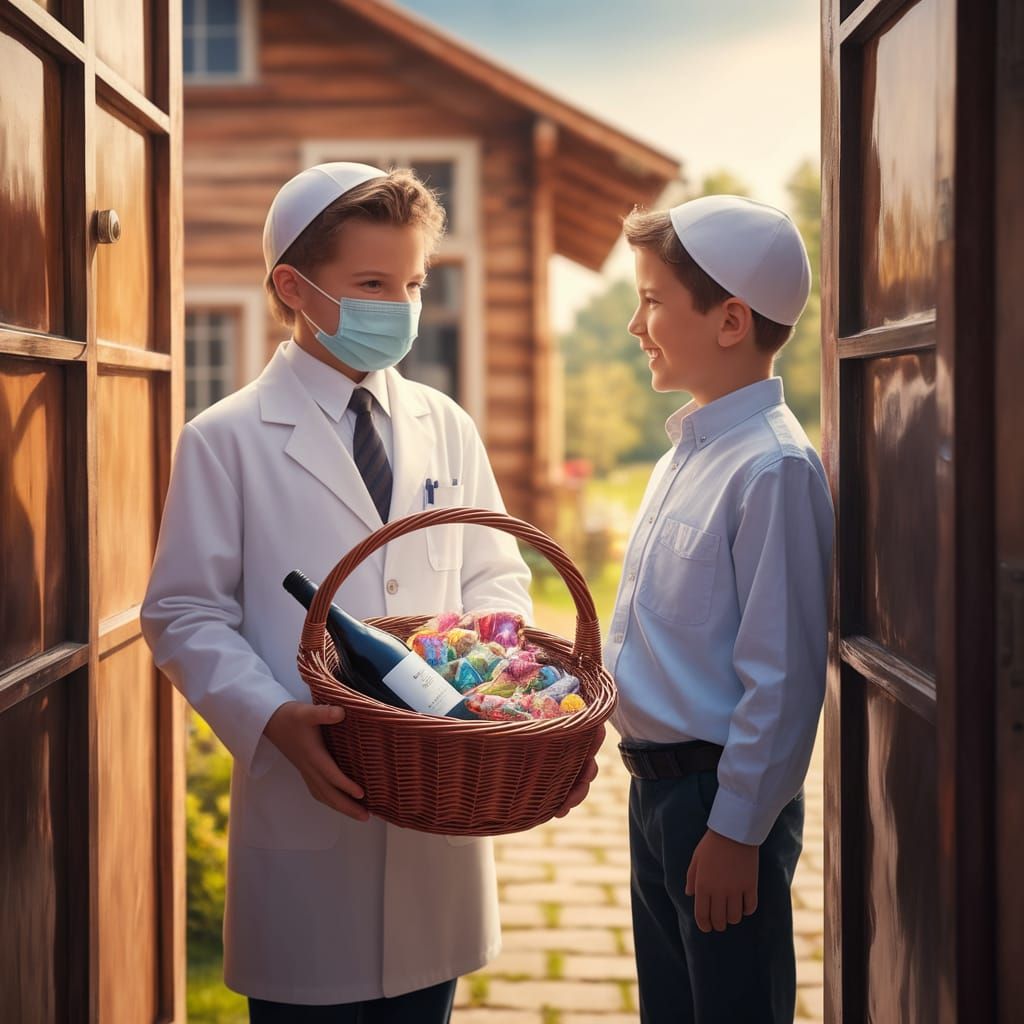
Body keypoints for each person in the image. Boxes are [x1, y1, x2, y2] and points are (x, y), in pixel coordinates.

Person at [142, 162, 597, 1022]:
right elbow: (181, 611)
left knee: (426, 998)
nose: (404, 305)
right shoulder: (225, 440)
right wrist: (271, 718)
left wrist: (487, 680)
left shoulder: (445, 425)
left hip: (439, 810)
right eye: (374, 283)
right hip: (306, 800)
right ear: (295, 287)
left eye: (416, 282)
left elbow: (496, 571)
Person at [605, 195, 834, 1023]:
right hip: (657, 797)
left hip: (719, 803)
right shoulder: (689, 451)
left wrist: (737, 833)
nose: (637, 323)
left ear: (731, 320)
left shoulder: (773, 471)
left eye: (653, 299)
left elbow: (783, 677)